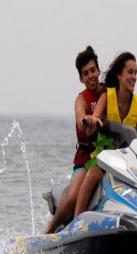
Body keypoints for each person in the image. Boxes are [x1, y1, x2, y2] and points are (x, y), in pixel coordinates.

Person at [74, 51, 137, 217]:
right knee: (92, 176)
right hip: (104, 157)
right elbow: (95, 117)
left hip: (126, 161)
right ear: (119, 75)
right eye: (130, 72)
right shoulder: (107, 96)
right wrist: (93, 121)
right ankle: (76, 221)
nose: (134, 77)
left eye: (136, 72)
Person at [44, 45, 103, 234]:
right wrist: (85, 121)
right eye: (86, 73)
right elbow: (79, 118)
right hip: (86, 159)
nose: (91, 76)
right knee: (72, 198)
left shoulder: (108, 93)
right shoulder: (81, 100)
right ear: (81, 78)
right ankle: (49, 232)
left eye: (93, 70)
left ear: (99, 70)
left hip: (108, 156)